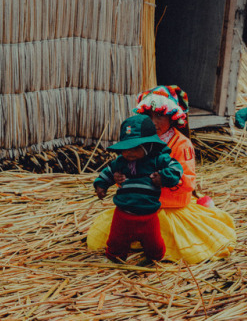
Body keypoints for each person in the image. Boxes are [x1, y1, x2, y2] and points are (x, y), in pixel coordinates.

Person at [88, 85, 236, 264]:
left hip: (169, 209)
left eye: (159, 115)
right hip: (136, 207)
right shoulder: (134, 143)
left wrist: (163, 180)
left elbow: (187, 181)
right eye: (148, 116)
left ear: (172, 117)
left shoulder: (181, 145)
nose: (153, 122)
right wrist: (119, 180)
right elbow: (124, 171)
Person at [93, 114, 183, 263]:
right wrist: (100, 185)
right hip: (122, 215)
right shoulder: (120, 162)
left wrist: (164, 177)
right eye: (126, 148)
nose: (129, 152)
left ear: (148, 146)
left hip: (148, 216)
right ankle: (116, 258)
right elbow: (107, 172)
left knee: (154, 245)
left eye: (135, 148)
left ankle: (154, 260)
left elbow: (177, 168)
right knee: (116, 241)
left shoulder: (157, 160)